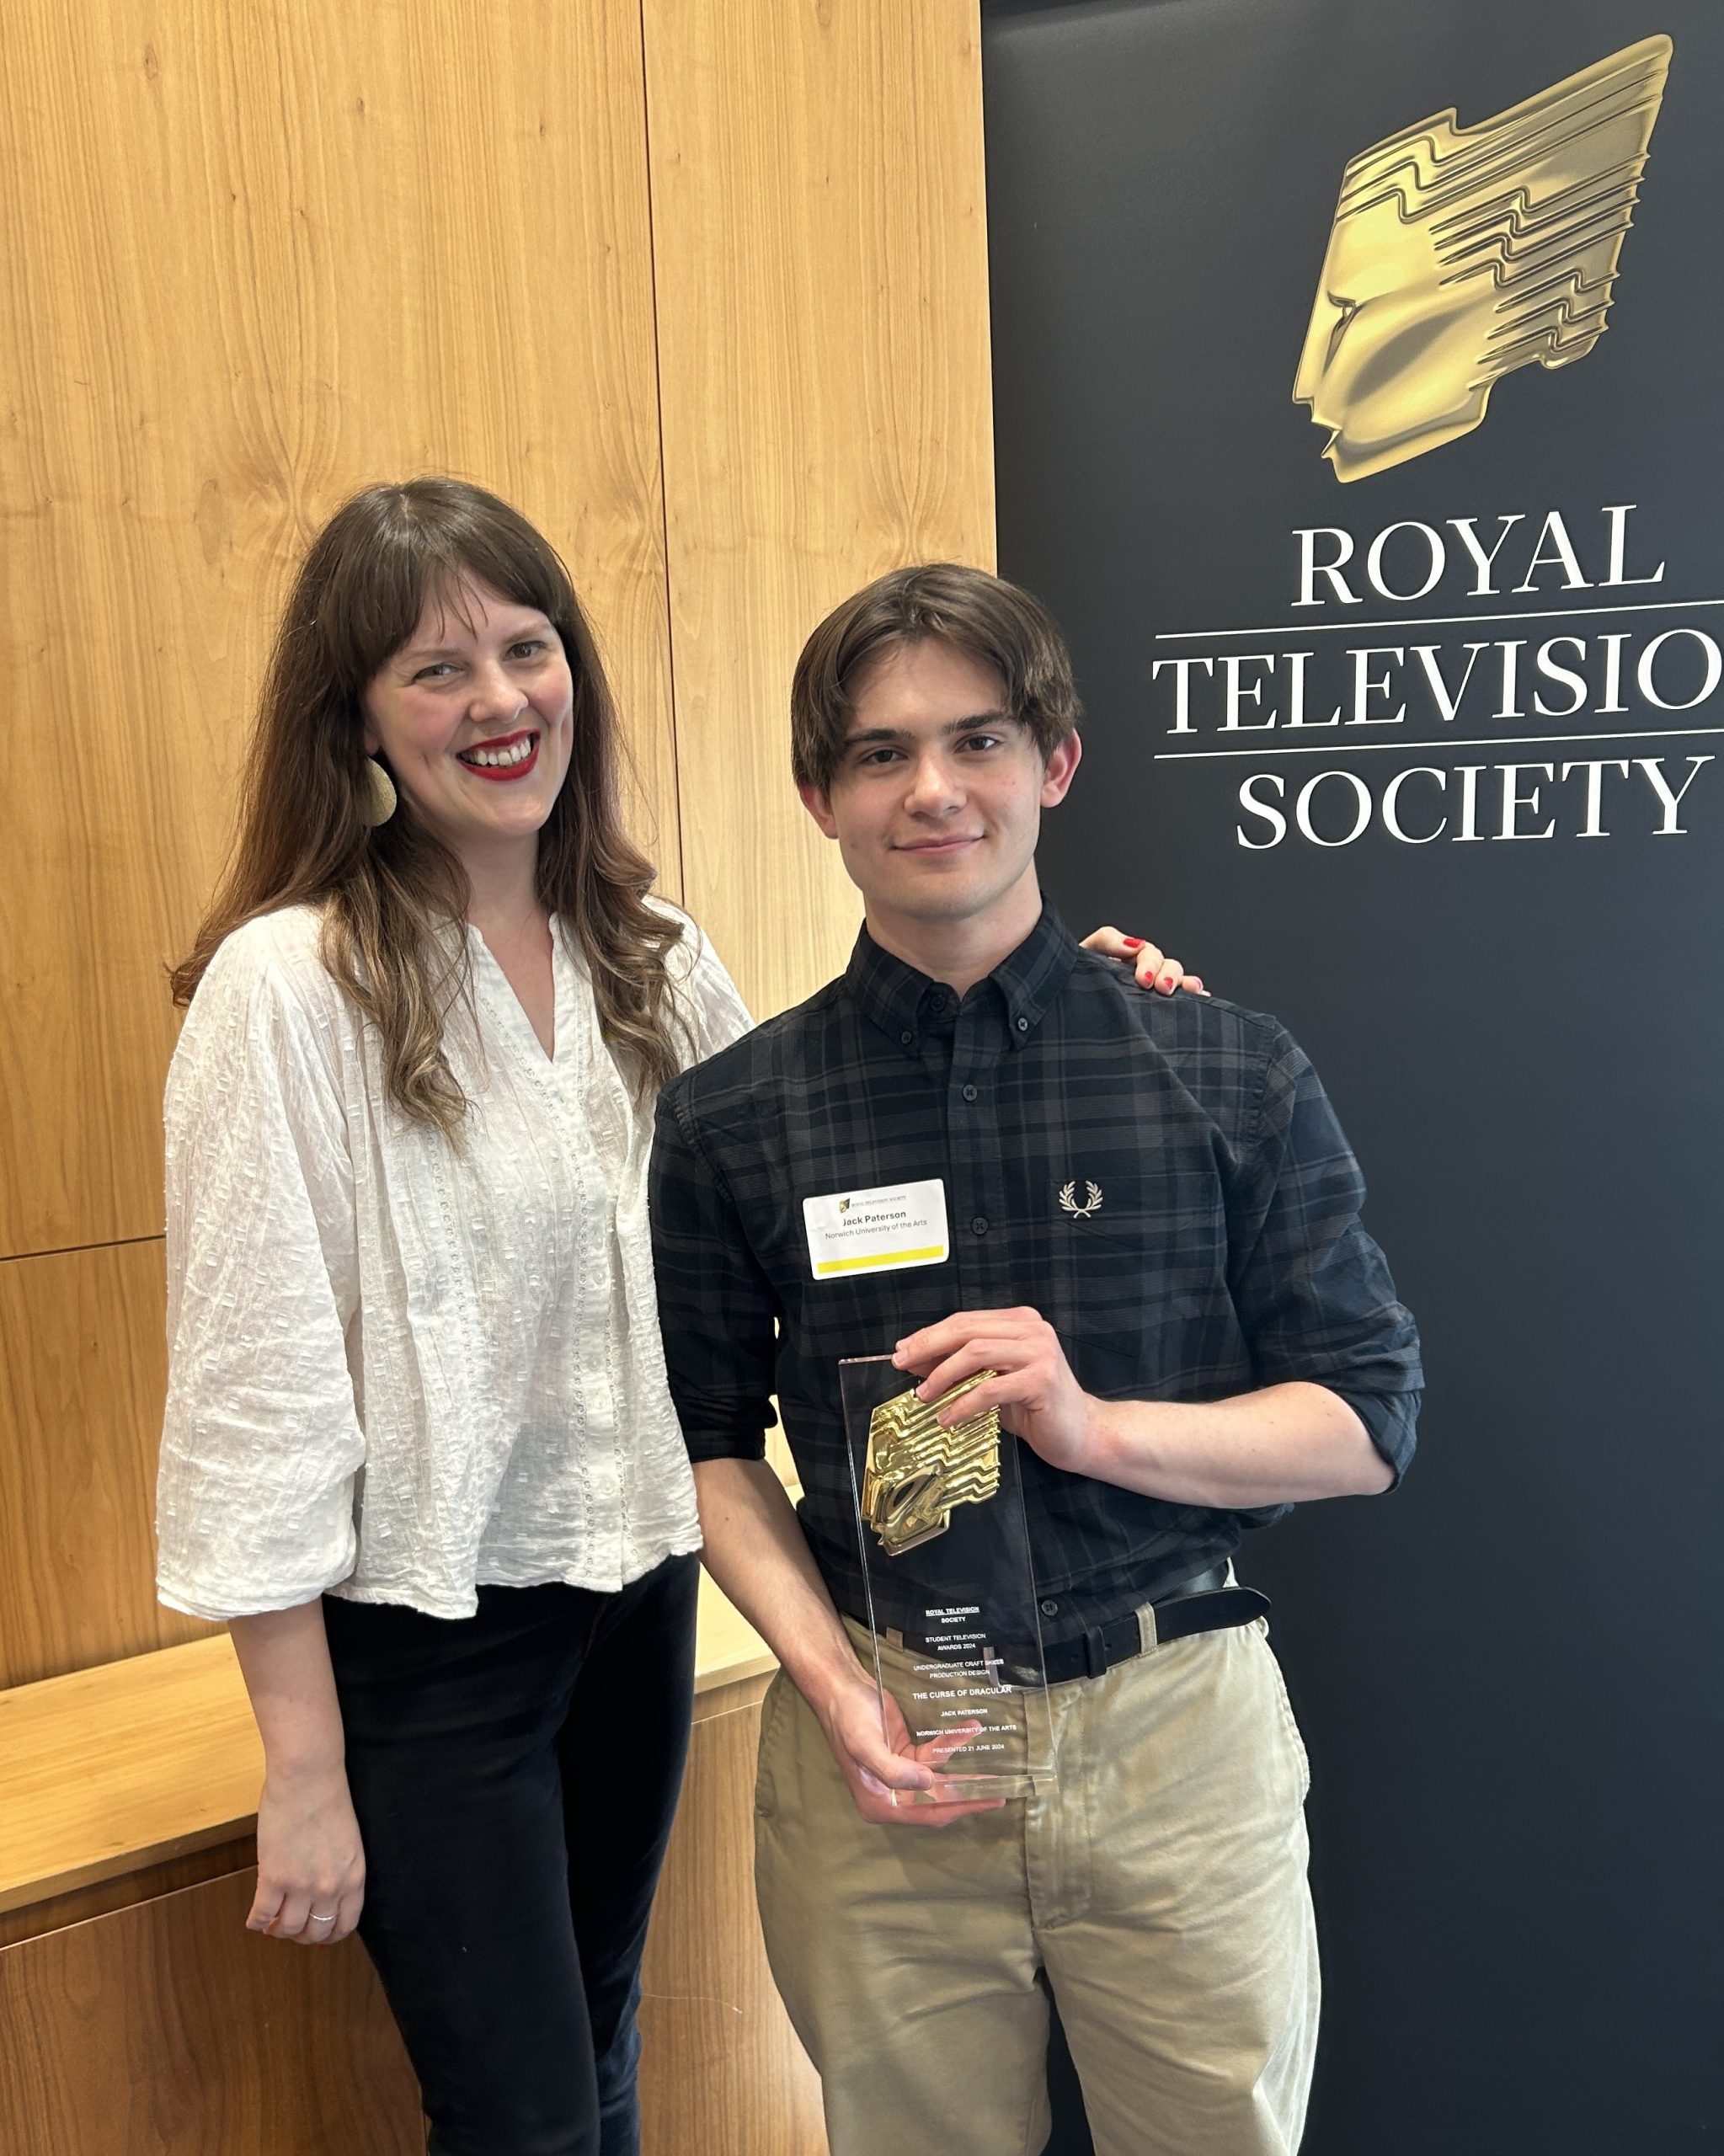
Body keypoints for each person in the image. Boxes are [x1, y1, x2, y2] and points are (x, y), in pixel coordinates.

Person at [154, 483, 1195, 2155]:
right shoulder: (293, 985)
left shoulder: (643, 951)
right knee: (525, 2117)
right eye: (436, 669)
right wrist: (302, 1759)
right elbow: (253, 1391)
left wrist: (1083, 1030)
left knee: (604, 2054)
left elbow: (824, 1186)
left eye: (525, 645)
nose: (499, 699)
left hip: (634, 1598)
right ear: (352, 717)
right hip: (426, 1648)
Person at [648, 563, 1422, 2156]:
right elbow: (707, 1447)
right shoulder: (733, 1115)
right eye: (879, 754)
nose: (932, 789)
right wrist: (825, 1677)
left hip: (1172, 1733)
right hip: (886, 1734)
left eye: (977, 741)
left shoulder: (1225, 1068)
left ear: (1054, 764)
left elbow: (1367, 1419)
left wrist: (1092, 1427)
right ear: (820, 796)